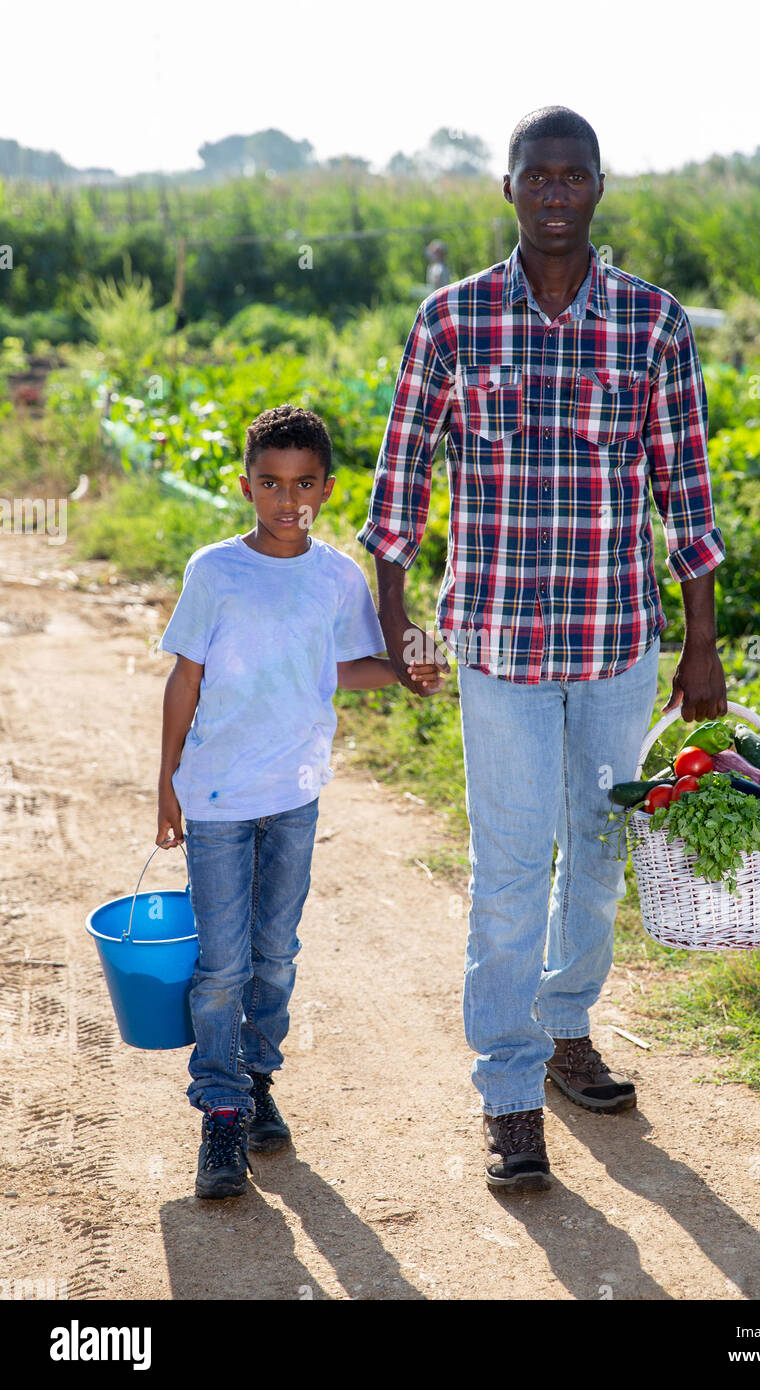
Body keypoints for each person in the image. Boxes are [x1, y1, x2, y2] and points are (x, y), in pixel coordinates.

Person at [357, 106, 728, 1193]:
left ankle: (567, 1028)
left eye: (575, 178)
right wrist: (398, 618)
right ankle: (510, 1091)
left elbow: (688, 500)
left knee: (598, 852)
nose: (556, 195)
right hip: (499, 647)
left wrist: (699, 648)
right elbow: (399, 487)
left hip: (619, 642)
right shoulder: (455, 320)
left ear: (599, 190)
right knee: (512, 865)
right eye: (538, 177)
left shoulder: (653, 326)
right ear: (507, 189)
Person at [155, 404, 442, 1199]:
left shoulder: (337, 578)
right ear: (246, 485)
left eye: (305, 484)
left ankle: (255, 1077)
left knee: (275, 953)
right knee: (220, 963)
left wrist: (407, 675)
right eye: (272, 485)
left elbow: (340, 667)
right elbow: (185, 678)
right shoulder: (214, 570)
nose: (289, 502)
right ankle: (218, 1110)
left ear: (327, 486)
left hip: (293, 796)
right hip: (214, 795)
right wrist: (166, 785)